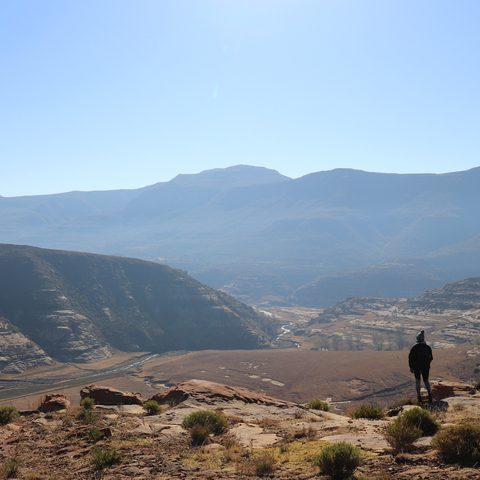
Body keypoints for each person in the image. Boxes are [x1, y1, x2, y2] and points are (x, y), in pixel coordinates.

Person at [408, 330, 433, 405]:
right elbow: (431, 357)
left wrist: (411, 367)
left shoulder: (414, 348)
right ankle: (430, 396)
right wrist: (427, 364)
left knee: (417, 381)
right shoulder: (427, 347)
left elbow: (410, 358)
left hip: (416, 367)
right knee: (426, 381)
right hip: (426, 367)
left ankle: (419, 397)